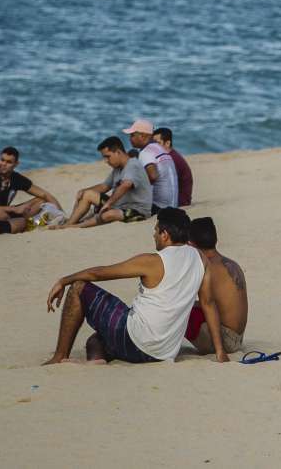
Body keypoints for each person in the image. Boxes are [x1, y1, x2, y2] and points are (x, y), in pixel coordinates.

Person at [43, 208, 222, 365]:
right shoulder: (200, 258)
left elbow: (98, 273)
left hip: (135, 341)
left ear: (165, 234)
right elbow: (209, 304)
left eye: (156, 230)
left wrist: (63, 281)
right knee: (96, 340)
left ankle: (59, 357)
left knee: (78, 287)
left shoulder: (152, 261)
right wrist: (220, 352)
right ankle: (97, 361)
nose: (154, 235)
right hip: (163, 354)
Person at [183, 216, 249, 359]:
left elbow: (207, 304)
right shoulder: (231, 264)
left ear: (191, 244)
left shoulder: (207, 268)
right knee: (190, 307)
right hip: (238, 337)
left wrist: (220, 350)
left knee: (176, 310)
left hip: (225, 341)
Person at [61, 136, 153, 228]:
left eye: (108, 157)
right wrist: (83, 191)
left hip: (138, 211)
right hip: (119, 206)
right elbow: (104, 186)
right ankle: (69, 223)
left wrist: (108, 204)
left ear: (118, 152)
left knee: (108, 214)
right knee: (87, 194)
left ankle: (77, 226)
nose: (106, 161)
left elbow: (126, 185)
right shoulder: (117, 168)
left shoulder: (133, 165)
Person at [0, 146, 61, 230]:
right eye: (2, 160)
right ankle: (30, 223)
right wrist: (14, 209)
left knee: (42, 200)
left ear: (16, 164)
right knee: (1, 214)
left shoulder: (16, 178)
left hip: (10, 212)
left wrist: (61, 213)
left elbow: (44, 194)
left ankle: (33, 223)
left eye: (9, 162)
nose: (4, 164)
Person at [125, 119, 178, 214]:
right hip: (172, 205)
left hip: (160, 207)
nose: (130, 139)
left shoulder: (146, 152)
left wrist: (134, 187)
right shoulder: (159, 148)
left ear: (143, 136)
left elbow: (153, 176)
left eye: (132, 135)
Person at [152, 127, 194, 207]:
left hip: (180, 201)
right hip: (178, 198)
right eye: (153, 144)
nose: (154, 147)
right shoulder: (168, 156)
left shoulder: (171, 159)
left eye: (157, 143)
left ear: (167, 143)